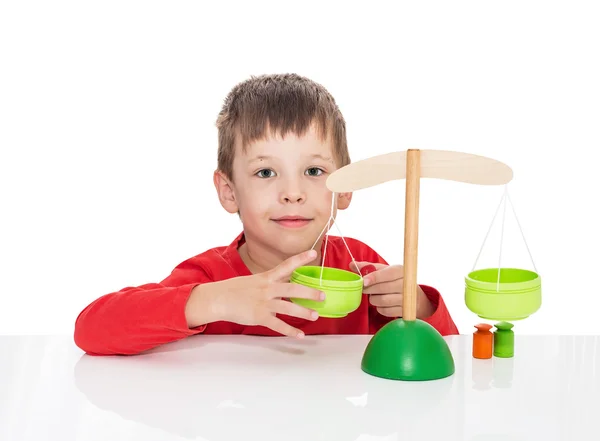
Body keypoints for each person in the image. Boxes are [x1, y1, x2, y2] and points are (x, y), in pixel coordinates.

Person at [74, 73, 459, 355]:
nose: (292, 193)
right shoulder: (211, 277)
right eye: (265, 172)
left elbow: (446, 357)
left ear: (344, 189)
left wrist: (417, 307)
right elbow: (91, 330)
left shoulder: (361, 269)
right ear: (229, 191)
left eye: (313, 171)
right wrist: (215, 301)